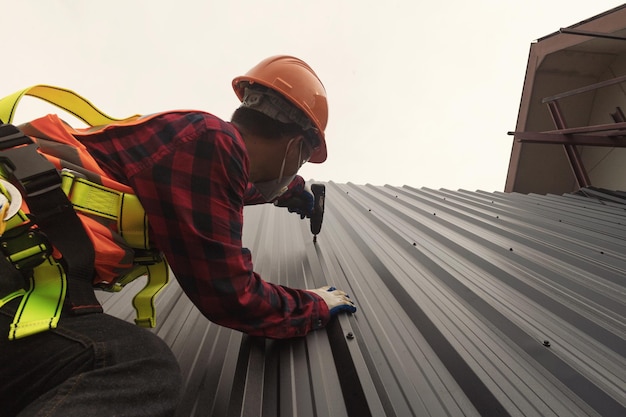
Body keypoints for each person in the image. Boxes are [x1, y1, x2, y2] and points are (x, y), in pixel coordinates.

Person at [0, 55, 356, 416]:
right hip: (7, 272)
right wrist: (314, 306)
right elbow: (232, 297)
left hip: (16, 271)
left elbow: (243, 189)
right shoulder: (214, 142)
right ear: (296, 147)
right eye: (301, 161)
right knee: (139, 369)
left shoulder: (193, 145)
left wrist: (297, 195)